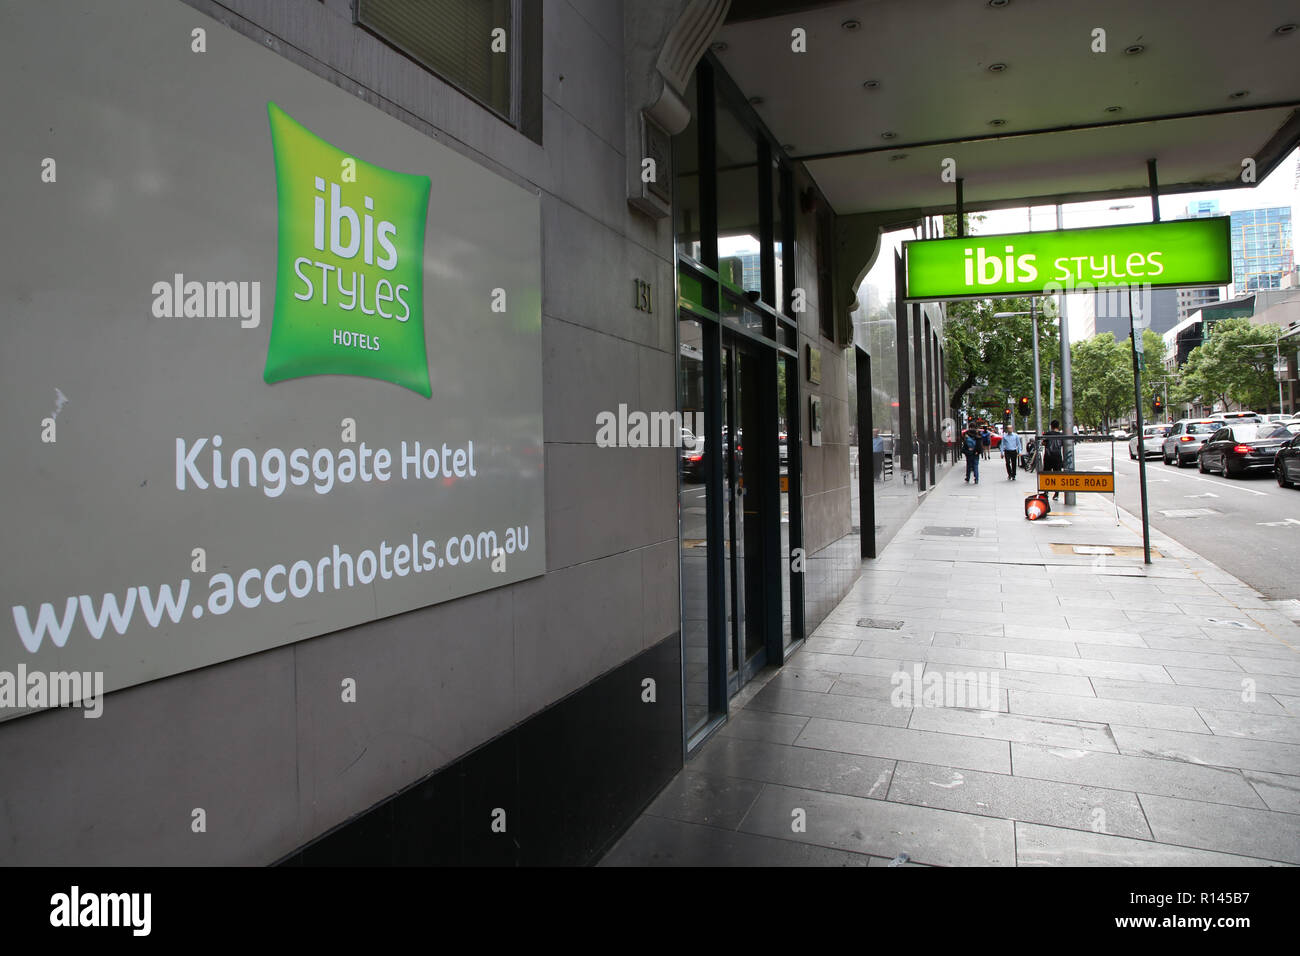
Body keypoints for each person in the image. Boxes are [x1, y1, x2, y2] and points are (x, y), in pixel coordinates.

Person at [1041, 419, 1067, 500]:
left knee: (1046, 474)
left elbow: (1043, 443)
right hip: (1057, 457)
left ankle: (1046, 491)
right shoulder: (1061, 435)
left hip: (1048, 456)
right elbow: (1063, 444)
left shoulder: (1047, 434)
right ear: (1058, 426)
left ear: (1051, 426)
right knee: (1057, 475)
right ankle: (1056, 494)